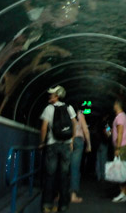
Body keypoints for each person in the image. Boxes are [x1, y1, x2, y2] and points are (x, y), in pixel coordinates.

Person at [40, 85, 77, 213]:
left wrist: (41, 142)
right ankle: (63, 205)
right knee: (64, 175)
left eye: (52, 94)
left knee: (50, 175)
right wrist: (71, 141)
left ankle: (47, 204)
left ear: (57, 96)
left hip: (52, 144)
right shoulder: (69, 108)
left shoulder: (48, 109)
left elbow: (44, 127)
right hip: (66, 145)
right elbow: (74, 124)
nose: (50, 96)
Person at [70, 105, 92, 203]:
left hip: (66, 140)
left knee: (63, 167)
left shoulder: (66, 112)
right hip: (78, 140)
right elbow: (86, 130)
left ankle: (59, 193)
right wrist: (89, 145)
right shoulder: (80, 114)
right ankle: (73, 195)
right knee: (75, 167)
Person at [111, 99, 126, 203]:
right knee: (120, 169)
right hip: (122, 146)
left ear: (117, 105)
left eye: (114, 104)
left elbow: (120, 133)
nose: (113, 106)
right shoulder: (122, 116)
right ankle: (124, 192)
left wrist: (117, 148)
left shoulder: (120, 117)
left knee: (120, 170)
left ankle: (124, 193)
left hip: (121, 146)